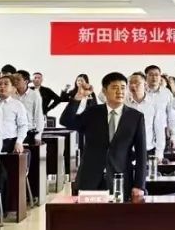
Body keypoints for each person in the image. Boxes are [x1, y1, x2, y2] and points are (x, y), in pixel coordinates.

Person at [59, 72, 147, 202]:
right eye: (115, 87)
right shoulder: (92, 112)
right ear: (104, 91)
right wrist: (78, 96)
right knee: (87, 215)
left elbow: (141, 153)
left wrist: (139, 185)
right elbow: (66, 121)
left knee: (118, 215)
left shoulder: (135, 117)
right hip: (89, 179)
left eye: (123, 88)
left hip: (120, 180)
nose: (120, 91)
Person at [0, 75, 28, 196]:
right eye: (0, 84)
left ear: (13, 88)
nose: (2, 86)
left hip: (8, 143)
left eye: (6, 84)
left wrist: (19, 142)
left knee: (4, 174)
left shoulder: (17, 105)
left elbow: (23, 126)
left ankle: (3, 201)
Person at [125, 72, 167, 159]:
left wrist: (159, 152)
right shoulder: (124, 103)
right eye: (130, 83)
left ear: (145, 85)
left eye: (137, 83)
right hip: (127, 150)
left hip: (147, 149)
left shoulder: (154, 104)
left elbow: (159, 129)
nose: (133, 85)